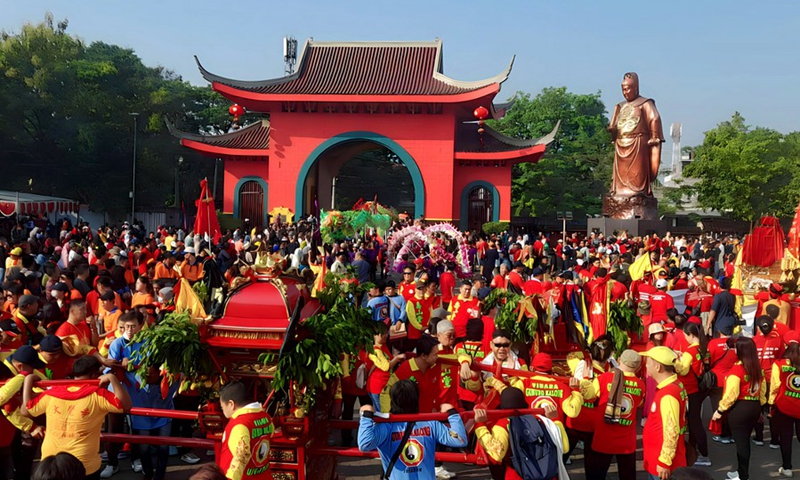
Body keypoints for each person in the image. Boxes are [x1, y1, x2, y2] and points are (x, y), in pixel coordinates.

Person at [22, 355, 132, 480]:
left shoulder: (52, 393)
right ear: (94, 376)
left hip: (51, 462)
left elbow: (26, 411)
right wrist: (113, 379)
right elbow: (126, 405)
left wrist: (28, 381)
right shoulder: (98, 395)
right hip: (84, 465)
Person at [357, 380, 467, 480]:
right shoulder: (431, 424)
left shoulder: (386, 426)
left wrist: (366, 416)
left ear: (392, 399)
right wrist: (452, 413)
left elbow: (364, 444)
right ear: (417, 399)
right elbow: (460, 439)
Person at [580, 349, 644, 480]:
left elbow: (589, 396)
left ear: (619, 360)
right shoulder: (641, 385)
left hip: (604, 437)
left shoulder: (603, 379)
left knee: (597, 476)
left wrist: (585, 379)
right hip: (627, 442)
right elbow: (638, 404)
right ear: (638, 367)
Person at [474, 386, 562, 480]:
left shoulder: (503, 424)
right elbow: (564, 447)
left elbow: (496, 455)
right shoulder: (542, 420)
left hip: (517, 476)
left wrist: (480, 425)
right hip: (546, 474)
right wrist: (554, 419)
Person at [711, 337, 765, 480]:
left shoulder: (737, 370)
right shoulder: (757, 368)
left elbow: (731, 395)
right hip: (754, 406)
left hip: (739, 408)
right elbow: (763, 390)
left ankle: (742, 475)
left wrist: (719, 410)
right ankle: (741, 471)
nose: (734, 350)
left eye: (736, 348)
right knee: (744, 441)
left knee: (741, 443)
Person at [607, 71, 664, 198]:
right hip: (621, 143)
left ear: (635, 88)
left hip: (637, 143)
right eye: (623, 90)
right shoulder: (620, 106)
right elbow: (614, 124)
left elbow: (654, 118)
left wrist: (654, 136)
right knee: (620, 174)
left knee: (636, 173)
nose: (625, 92)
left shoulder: (644, 103)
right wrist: (613, 130)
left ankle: (637, 192)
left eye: (628, 89)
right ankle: (618, 192)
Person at [640, 346, 687, 480]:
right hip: (658, 457)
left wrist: (664, 461)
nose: (646, 365)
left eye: (648, 362)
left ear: (657, 367)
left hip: (661, 463)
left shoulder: (668, 394)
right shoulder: (675, 385)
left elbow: (671, 430)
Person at [218, 381, 274, 480]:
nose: (223, 411)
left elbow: (242, 455)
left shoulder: (239, 424)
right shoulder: (266, 417)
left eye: (222, 407)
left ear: (231, 404)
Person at [675, 323, 710, 466]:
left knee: (694, 423)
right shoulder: (703, 348)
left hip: (689, 389)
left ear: (690, 335)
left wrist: (676, 361)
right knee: (695, 421)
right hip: (699, 388)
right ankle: (695, 449)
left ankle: (704, 454)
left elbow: (682, 370)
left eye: (685, 336)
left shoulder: (690, 352)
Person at [769, 331, 800, 477]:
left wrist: (770, 404)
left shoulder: (779, 364)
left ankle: (787, 468)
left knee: (786, 438)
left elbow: (775, 386)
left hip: (784, 406)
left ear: (785, 344)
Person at [385, 335, 442, 414]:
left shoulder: (435, 365)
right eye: (435, 354)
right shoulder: (405, 369)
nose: (437, 357)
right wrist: (389, 415)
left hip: (431, 419)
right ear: (424, 356)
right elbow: (386, 391)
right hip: (413, 421)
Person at [368, 322, 405, 412]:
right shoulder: (374, 350)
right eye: (382, 334)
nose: (385, 335)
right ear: (374, 336)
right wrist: (396, 358)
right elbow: (386, 367)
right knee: (381, 413)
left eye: (386, 333)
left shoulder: (384, 346)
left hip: (385, 386)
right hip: (377, 387)